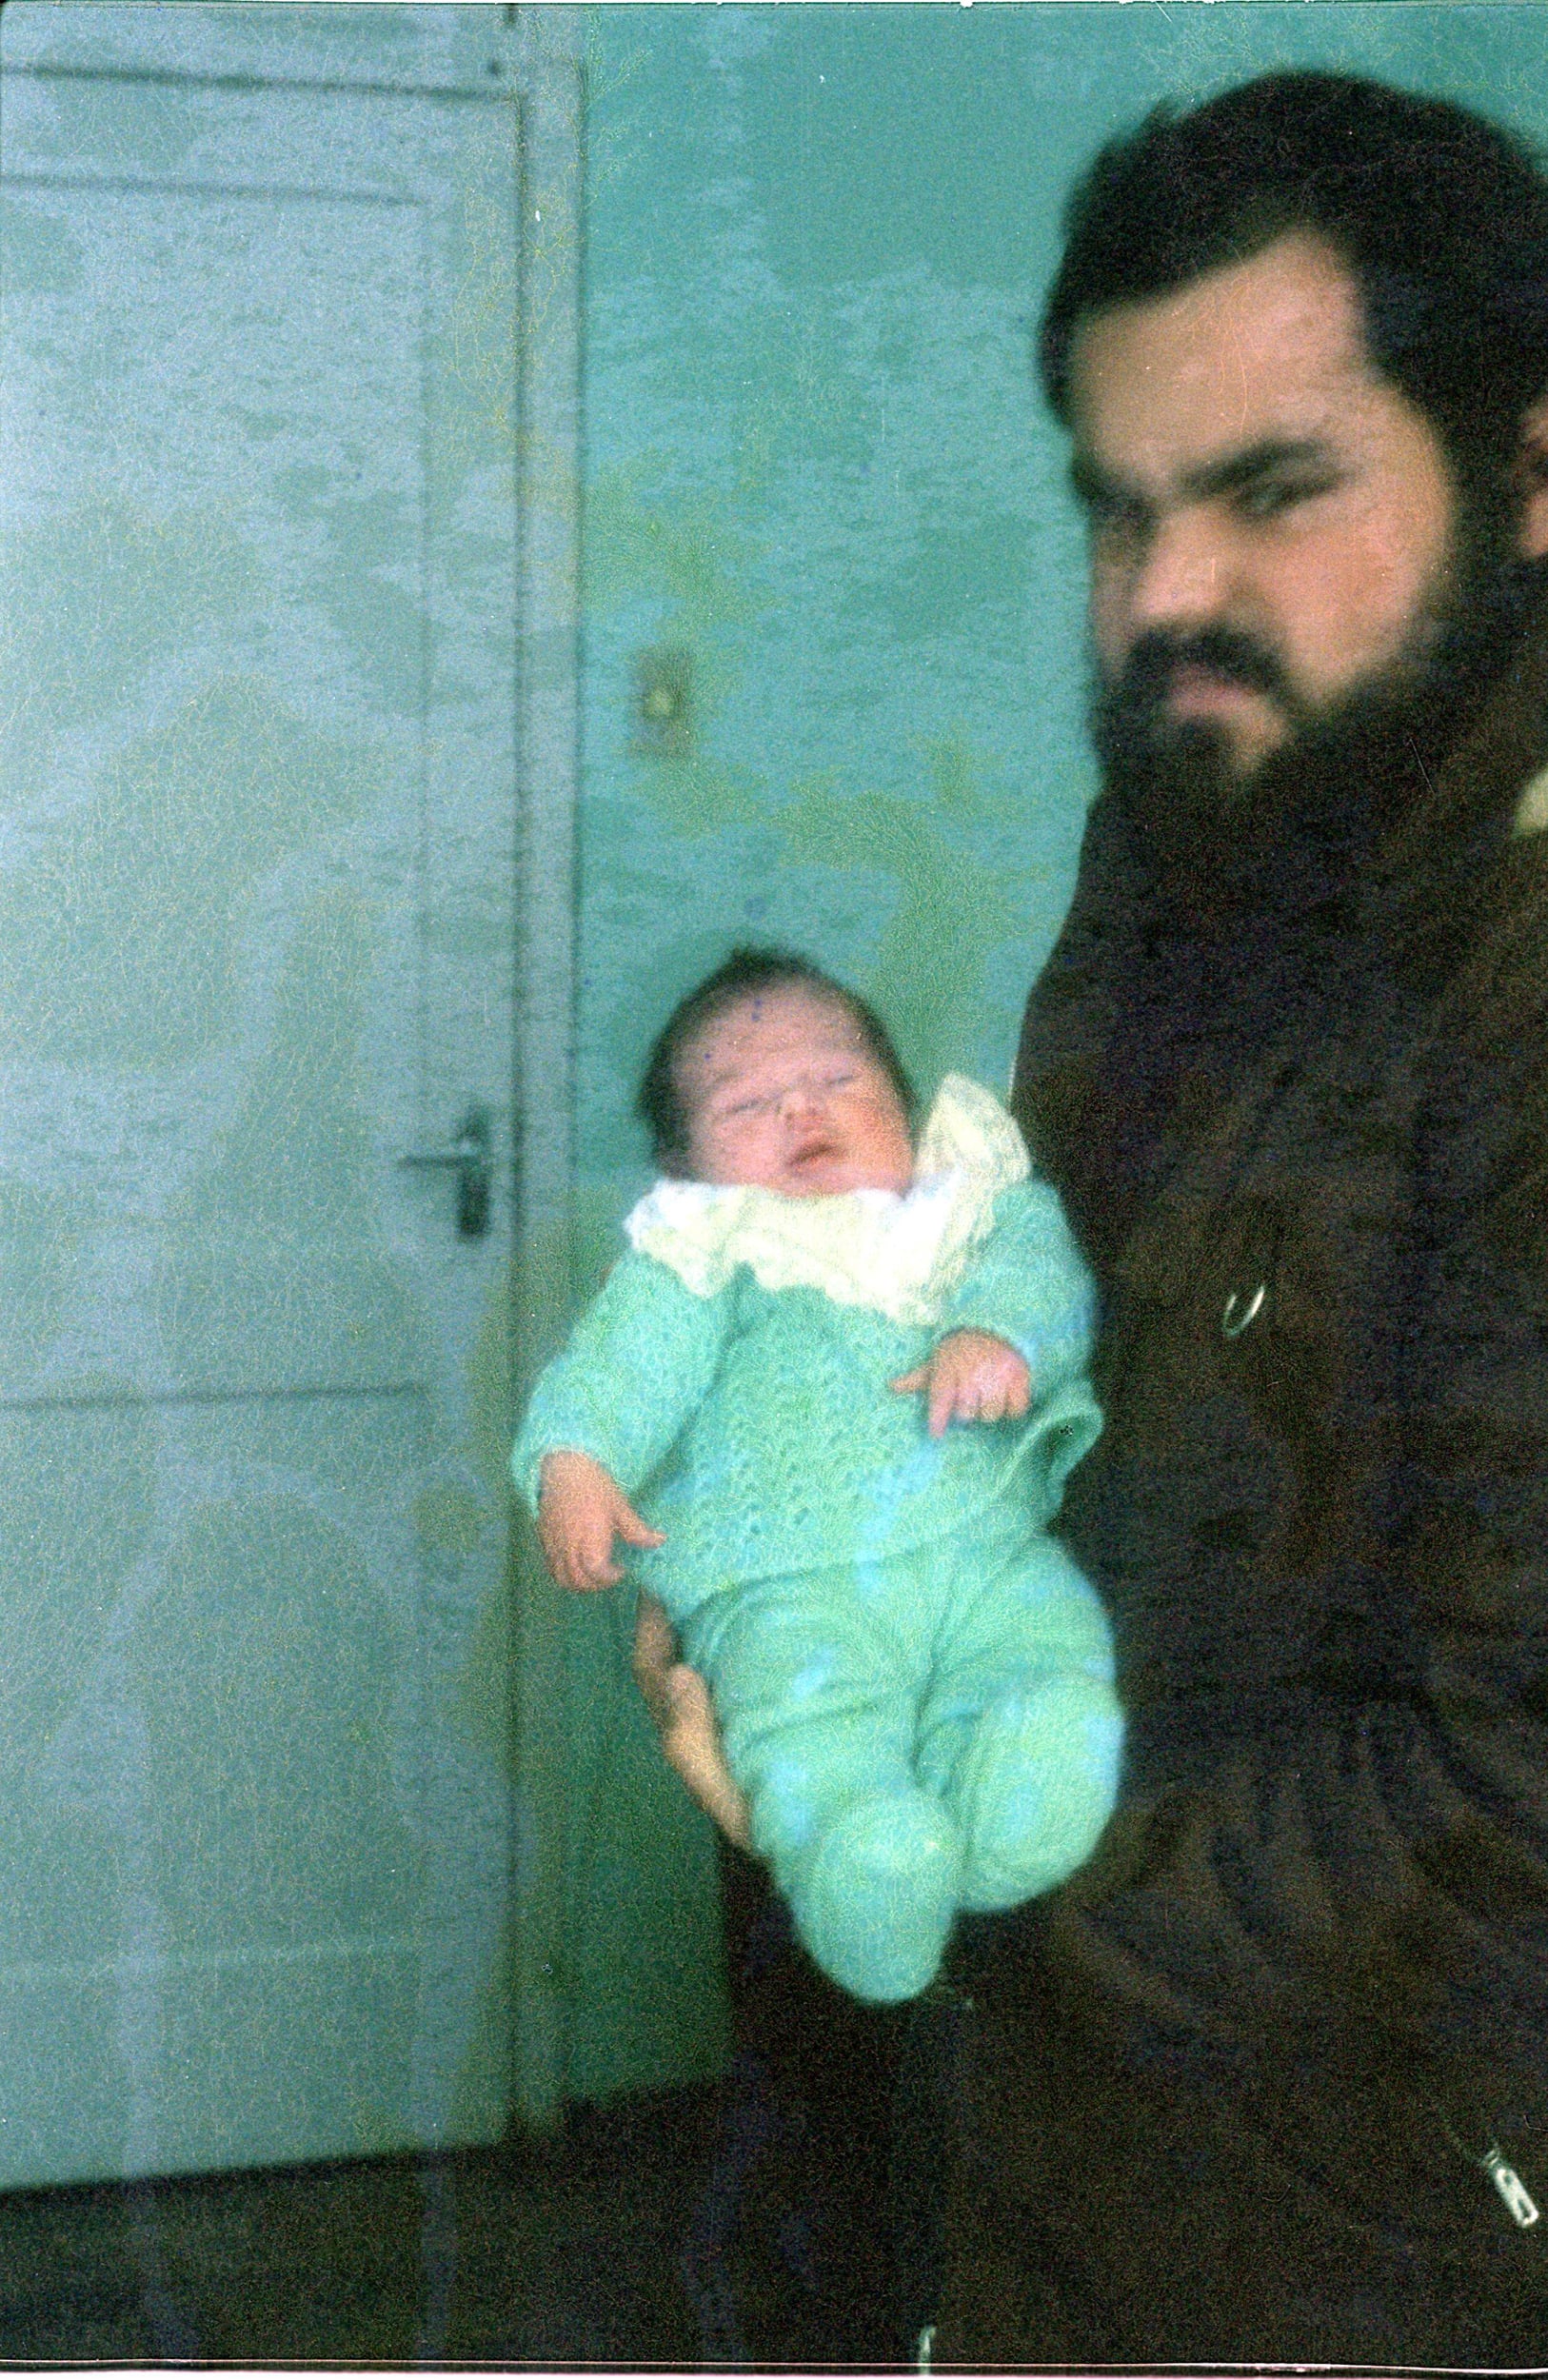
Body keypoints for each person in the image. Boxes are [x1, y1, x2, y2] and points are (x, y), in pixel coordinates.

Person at [635, 69, 1548, 2363]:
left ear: (1535, 478)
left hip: (1396, 2258)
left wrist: (950, 1857)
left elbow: (1508, 1804)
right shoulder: (1209, 798)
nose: (1166, 598)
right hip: (1071, 2160)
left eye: (1274, 493)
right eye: (1117, 510)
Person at [516, 948, 1121, 2005]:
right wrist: (574, 1456)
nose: (802, 1109)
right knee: (805, 1723)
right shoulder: (709, 1247)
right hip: (783, 1580)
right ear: (685, 1166)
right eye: (746, 1104)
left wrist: (999, 1332)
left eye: (840, 1080)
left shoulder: (972, 1204)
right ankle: (861, 1859)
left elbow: (1044, 1277)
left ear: (904, 1106)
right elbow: (622, 1364)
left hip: (984, 1542)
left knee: (1044, 1638)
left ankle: (1027, 1776)